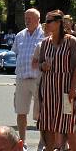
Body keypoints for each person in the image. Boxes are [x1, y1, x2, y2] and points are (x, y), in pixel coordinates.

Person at [35, 10, 76, 151]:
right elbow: (39, 63)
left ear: (58, 23)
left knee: (69, 126)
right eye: (46, 21)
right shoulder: (45, 43)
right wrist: (43, 66)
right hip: (48, 90)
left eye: (49, 21)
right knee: (48, 124)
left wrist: (73, 88)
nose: (46, 24)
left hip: (65, 91)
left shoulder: (71, 41)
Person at [12, 9, 45, 143]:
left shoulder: (44, 35)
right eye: (26, 18)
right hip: (21, 78)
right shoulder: (20, 35)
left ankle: (43, 143)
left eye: (30, 18)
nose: (27, 21)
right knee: (21, 111)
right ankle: (22, 142)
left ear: (38, 19)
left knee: (41, 114)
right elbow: (15, 52)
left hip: (38, 78)